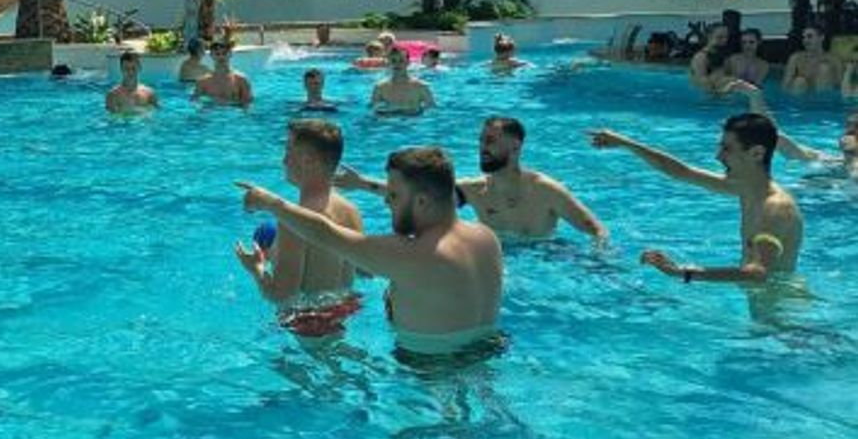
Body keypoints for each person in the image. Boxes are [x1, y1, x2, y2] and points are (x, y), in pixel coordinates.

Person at [240, 145, 503, 356]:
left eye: (394, 195)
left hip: (428, 374)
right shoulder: (486, 237)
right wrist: (365, 184)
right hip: (487, 353)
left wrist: (270, 202)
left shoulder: (412, 254)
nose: (386, 201)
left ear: (422, 201)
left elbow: (325, 233)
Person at [590, 110, 803, 285]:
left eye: (727, 149)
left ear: (756, 153)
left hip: (784, 316)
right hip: (767, 311)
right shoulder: (746, 189)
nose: (718, 156)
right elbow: (682, 171)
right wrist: (627, 144)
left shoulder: (775, 208)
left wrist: (682, 272)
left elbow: (757, 273)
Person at [338, 115, 606, 242]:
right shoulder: (475, 191)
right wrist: (361, 183)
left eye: (490, 141)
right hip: (497, 263)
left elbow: (596, 231)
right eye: (480, 141)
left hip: (543, 263)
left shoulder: (546, 191)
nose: (482, 147)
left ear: (515, 146)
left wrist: (598, 262)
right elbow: (418, 195)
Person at [234, 119, 364, 337]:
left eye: (288, 151)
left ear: (308, 160)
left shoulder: (294, 222)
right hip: (346, 311)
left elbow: (282, 296)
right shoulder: (351, 210)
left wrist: (256, 269)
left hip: (309, 325)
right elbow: (363, 270)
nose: (283, 160)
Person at [369, 45, 433, 116]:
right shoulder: (380, 88)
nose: (397, 64)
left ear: (408, 62)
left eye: (401, 61)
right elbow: (373, 111)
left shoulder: (422, 87)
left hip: (414, 121)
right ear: (388, 63)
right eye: (393, 61)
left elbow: (431, 112)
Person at [782, 25, 841, 94]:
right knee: (799, 81)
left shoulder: (834, 60)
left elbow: (840, 86)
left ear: (821, 37)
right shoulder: (796, 58)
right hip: (801, 96)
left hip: (824, 95)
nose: (805, 40)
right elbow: (785, 85)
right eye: (803, 37)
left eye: (810, 36)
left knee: (824, 69)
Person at [193, 40, 253, 107]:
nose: (221, 57)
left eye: (224, 53)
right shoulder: (203, 82)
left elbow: (248, 105)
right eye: (217, 54)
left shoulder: (241, 80)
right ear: (211, 56)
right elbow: (195, 103)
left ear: (230, 54)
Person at [105, 49, 158, 114]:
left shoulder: (149, 94)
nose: (130, 72)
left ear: (139, 68)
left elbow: (156, 115)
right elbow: (111, 118)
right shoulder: (113, 95)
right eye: (126, 69)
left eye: (133, 68)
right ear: (121, 69)